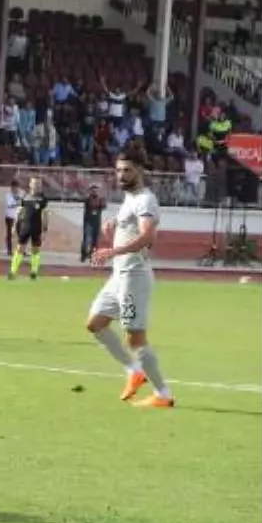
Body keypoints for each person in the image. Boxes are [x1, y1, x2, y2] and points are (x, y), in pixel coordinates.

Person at [87, 151, 173, 408]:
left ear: (139, 170)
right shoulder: (130, 198)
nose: (121, 175)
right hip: (119, 276)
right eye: (118, 170)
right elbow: (132, 223)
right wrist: (116, 222)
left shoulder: (145, 200)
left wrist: (113, 251)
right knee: (95, 324)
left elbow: (148, 237)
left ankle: (163, 394)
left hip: (133, 278)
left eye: (127, 170)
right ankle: (134, 370)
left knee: (135, 338)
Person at [8, 176, 49, 280]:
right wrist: (14, 225)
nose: (36, 185)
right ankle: (13, 271)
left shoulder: (43, 198)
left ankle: (34, 272)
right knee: (19, 248)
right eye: (34, 183)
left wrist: (45, 229)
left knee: (35, 250)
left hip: (37, 227)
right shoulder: (25, 197)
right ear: (30, 184)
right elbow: (19, 211)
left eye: (38, 183)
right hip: (25, 226)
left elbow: (45, 214)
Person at [80, 185, 105, 263]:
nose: (95, 192)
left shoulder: (100, 199)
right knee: (86, 239)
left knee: (95, 240)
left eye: (96, 190)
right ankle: (83, 255)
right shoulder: (88, 199)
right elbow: (86, 202)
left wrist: (99, 203)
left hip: (96, 222)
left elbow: (103, 206)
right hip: (88, 222)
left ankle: (93, 255)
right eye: (93, 190)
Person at [3, 180, 21, 256]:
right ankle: (9, 250)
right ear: (12, 188)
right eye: (14, 187)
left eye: (17, 188)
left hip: (17, 217)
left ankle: (20, 250)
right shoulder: (8, 195)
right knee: (9, 234)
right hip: (9, 217)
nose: (15, 189)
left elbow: (21, 204)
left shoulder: (19, 195)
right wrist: (17, 203)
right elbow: (10, 204)